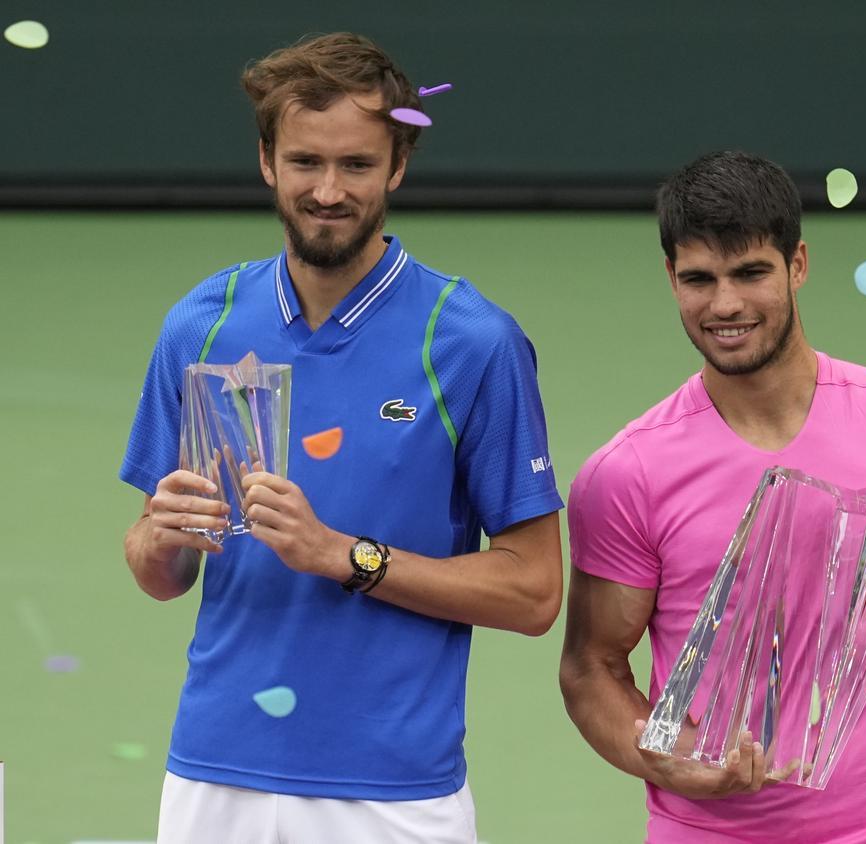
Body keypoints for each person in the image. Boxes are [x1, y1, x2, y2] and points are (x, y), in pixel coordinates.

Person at [120, 32, 563, 843]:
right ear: (267, 162)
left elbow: (535, 593)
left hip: (394, 793)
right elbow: (161, 574)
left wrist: (341, 555)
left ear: (397, 166)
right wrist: (159, 536)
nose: (328, 191)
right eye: (305, 162)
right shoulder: (199, 324)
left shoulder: (473, 343)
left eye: (357, 164)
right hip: (213, 774)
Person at [559, 151, 866, 844]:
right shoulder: (625, 474)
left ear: (797, 264)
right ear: (671, 277)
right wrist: (670, 757)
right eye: (699, 279)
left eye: (751, 273)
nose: (725, 305)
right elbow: (591, 669)